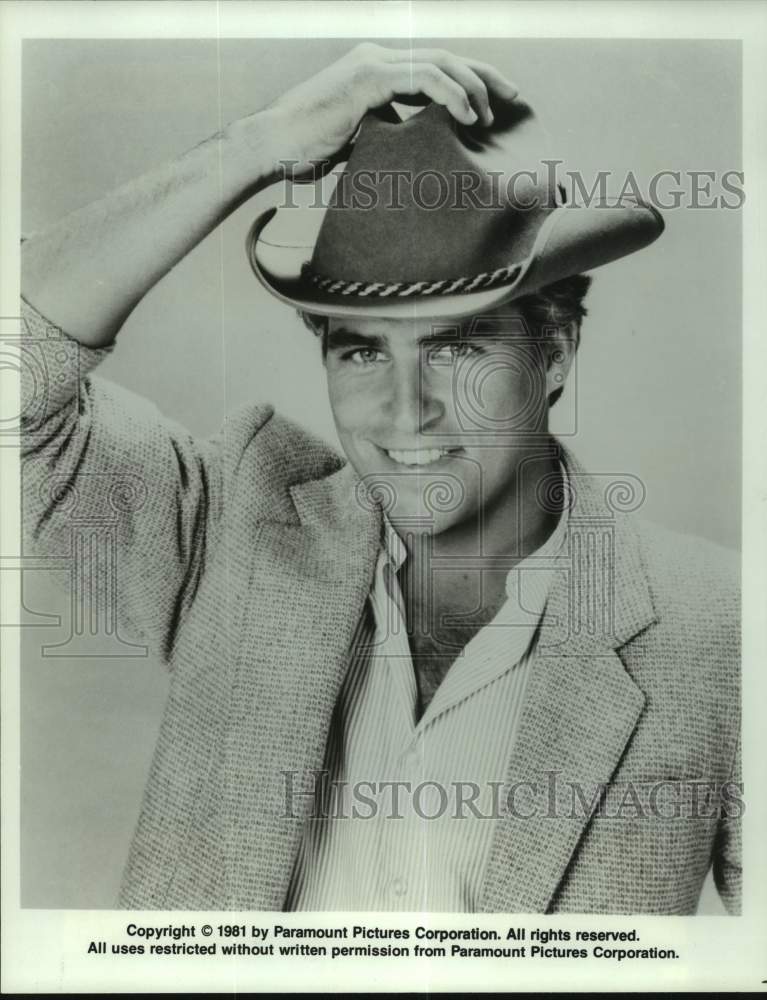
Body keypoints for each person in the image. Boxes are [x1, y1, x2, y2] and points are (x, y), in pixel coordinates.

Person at [20, 43, 740, 914]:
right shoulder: (230, 529)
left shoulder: (725, 631)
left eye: (456, 347)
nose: (406, 412)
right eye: (361, 350)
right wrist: (259, 143)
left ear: (554, 353)